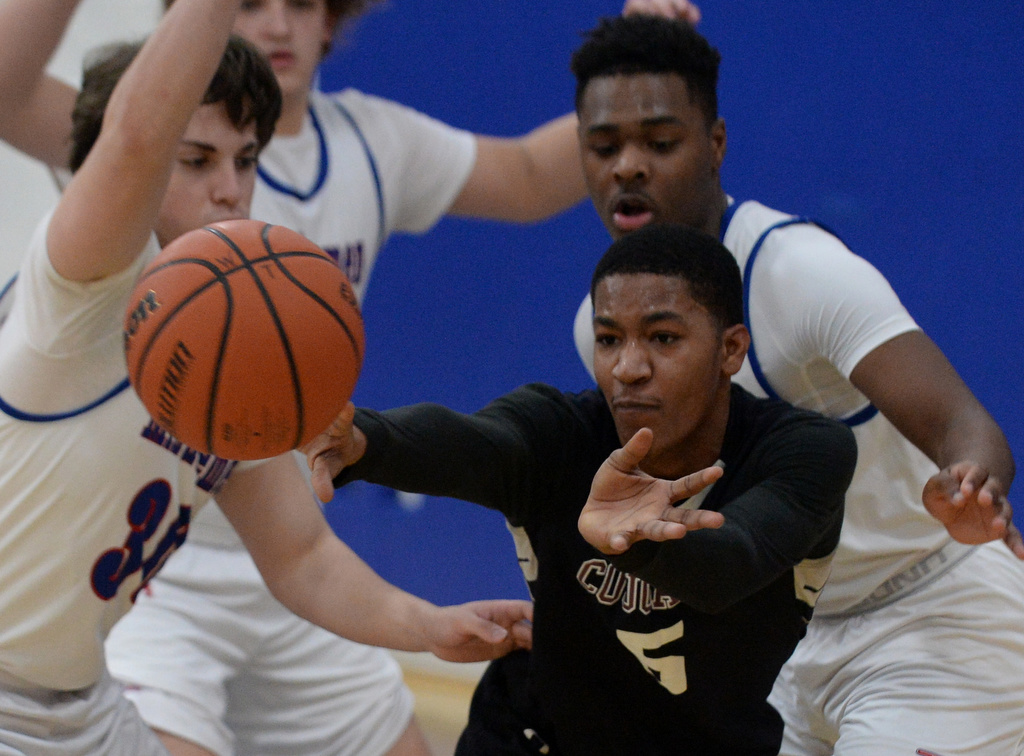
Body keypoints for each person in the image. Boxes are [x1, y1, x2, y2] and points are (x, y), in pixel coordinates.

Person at [106, 1, 685, 754]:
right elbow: (30, 97)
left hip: (287, 542)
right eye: (248, 1)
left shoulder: (367, 143)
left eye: (301, 3)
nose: (278, 25)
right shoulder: (135, 165)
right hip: (156, 573)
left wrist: (636, 68)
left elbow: (528, 175)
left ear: (332, 22)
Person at [0, 0, 533, 752]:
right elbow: (133, 137)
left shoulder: (228, 360)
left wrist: (430, 625)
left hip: (82, 704)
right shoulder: (78, 297)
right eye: (195, 160)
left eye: (246, 160)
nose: (231, 189)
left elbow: (303, 559)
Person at [568, 14, 1024, 756]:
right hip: (785, 646)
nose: (628, 166)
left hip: (932, 617)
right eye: (604, 146)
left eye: (659, 142)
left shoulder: (796, 273)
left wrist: (975, 489)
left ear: (715, 145)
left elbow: (962, 422)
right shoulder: (600, 327)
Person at [302, 222, 858, 755]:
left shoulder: (804, 452)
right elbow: (471, 443)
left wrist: (638, 540)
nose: (628, 367)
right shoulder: (559, 432)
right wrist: (366, 441)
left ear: (731, 350)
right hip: (530, 737)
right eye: (609, 339)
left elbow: (733, 562)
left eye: (663, 338)